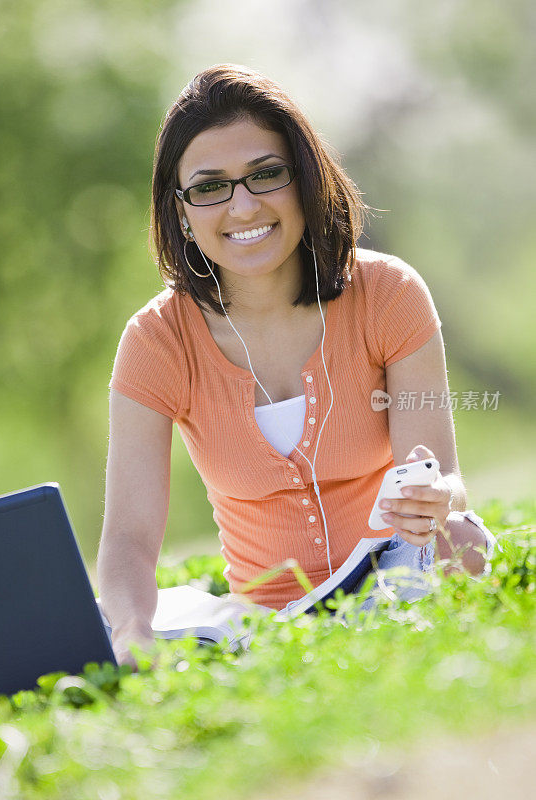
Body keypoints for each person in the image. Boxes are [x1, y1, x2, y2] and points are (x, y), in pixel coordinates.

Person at [96, 64, 498, 671]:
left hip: (398, 569)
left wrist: (436, 496)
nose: (243, 204)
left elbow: (443, 475)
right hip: (261, 619)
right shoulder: (156, 342)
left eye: (266, 174)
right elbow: (128, 536)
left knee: (462, 544)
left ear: (303, 180)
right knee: (117, 621)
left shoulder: (388, 293)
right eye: (210, 187)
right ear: (181, 210)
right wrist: (132, 632)